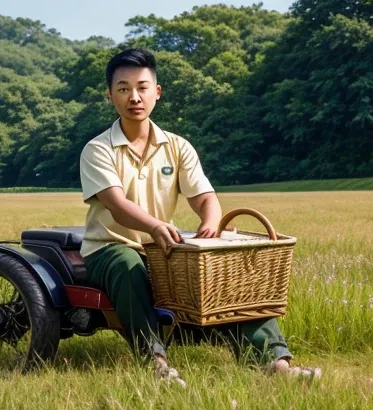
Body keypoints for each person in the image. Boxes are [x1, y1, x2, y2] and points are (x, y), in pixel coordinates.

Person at [79, 48, 300, 385]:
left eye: (142, 87)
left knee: (231, 269)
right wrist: (154, 225)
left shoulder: (177, 146)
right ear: (110, 96)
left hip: (164, 247)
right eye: (123, 89)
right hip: (110, 248)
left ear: (157, 92)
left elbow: (205, 198)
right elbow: (115, 204)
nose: (134, 97)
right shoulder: (97, 149)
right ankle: (156, 363)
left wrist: (211, 223)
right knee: (128, 264)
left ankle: (276, 364)